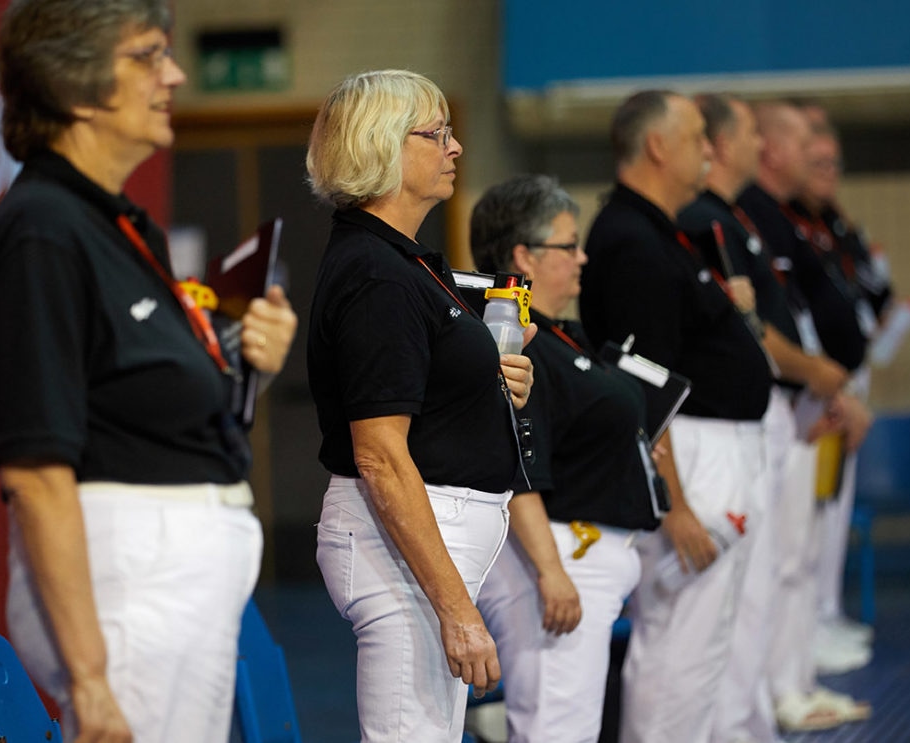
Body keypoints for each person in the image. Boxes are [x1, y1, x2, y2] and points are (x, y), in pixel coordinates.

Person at [0, 1, 297, 742]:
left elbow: (168, 412)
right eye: (147, 56)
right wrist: (90, 676)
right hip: (128, 598)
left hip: (170, 591)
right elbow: (37, 471)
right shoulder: (41, 234)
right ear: (74, 87)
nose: (174, 74)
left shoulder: (115, 225)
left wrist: (247, 363)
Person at [305, 69, 535, 742]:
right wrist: (457, 608)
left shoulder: (401, 263)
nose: (456, 148)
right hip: (402, 543)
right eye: (437, 134)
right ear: (382, 147)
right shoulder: (378, 275)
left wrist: (488, 380)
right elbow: (379, 455)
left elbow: (422, 390)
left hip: (421, 536)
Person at [577, 90, 774, 743]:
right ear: (658, 145)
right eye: (697, 137)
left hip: (716, 447)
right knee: (679, 643)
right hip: (688, 456)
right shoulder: (631, 241)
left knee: (710, 640)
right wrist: (678, 506)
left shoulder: (662, 233)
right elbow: (641, 388)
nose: (710, 149)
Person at [471, 175, 662, 743]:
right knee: (557, 727)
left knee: (573, 723)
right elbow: (518, 467)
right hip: (555, 557)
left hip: (586, 554)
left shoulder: (565, 336)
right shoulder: (517, 345)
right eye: (568, 245)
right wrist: (552, 572)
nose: (583, 258)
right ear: (524, 256)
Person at [738, 102, 874, 686]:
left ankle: (791, 678)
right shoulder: (747, 215)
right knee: (777, 557)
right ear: (770, 149)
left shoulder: (795, 220)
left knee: (799, 548)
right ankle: (779, 683)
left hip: (810, 390)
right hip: (780, 396)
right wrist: (815, 377)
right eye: (803, 144)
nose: (815, 157)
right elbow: (765, 319)